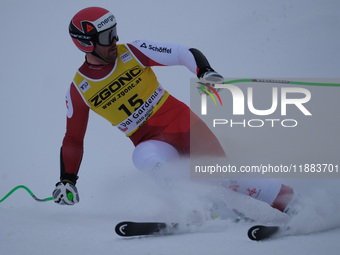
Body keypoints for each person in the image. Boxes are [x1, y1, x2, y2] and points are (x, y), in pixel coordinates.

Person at [52, 7, 295, 216]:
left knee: (222, 174)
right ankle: (204, 209)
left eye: (115, 32)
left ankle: (292, 202)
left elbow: (181, 53)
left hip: (183, 124)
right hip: (149, 141)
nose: (115, 40)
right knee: (144, 159)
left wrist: (203, 70)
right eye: (107, 36)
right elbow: (73, 139)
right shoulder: (79, 90)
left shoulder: (133, 52)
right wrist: (67, 181)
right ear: (86, 43)